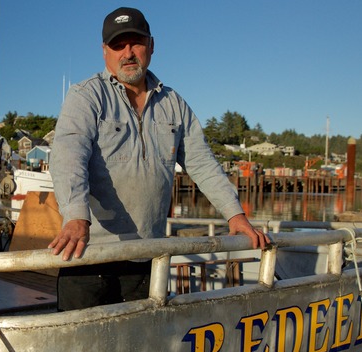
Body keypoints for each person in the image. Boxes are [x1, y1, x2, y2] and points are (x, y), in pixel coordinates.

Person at [48, 6, 269, 311]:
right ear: (104, 52)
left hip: (147, 255)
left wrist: (235, 215)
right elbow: (68, 158)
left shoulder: (174, 104)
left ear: (151, 46)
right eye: (118, 45)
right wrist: (75, 216)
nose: (128, 53)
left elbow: (202, 163)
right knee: (77, 347)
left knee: (139, 348)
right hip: (89, 254)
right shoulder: (86, 96)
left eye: (135, 43)